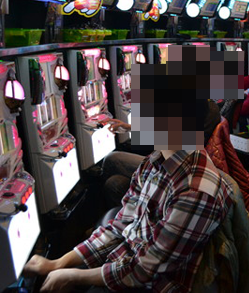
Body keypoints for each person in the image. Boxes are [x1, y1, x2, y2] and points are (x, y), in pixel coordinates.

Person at [23, 54, 233, 293]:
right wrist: (59, 263)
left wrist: (73, 276)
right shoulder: (156, 161)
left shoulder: (195, 190)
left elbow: (143, 272)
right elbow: (121, 225)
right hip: (128, 261)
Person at [101, 100, 222, 209]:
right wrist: (130, 128)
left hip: (179, 164)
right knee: (115, 182)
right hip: (174, 159)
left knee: (112, 159)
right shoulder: (204, 104)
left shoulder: (204, 108)